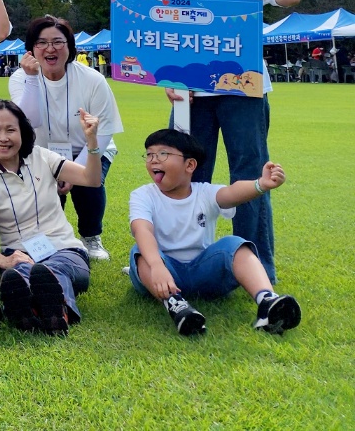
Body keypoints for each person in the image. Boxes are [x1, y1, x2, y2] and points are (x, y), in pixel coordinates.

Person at [152, 0, 299, 281]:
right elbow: (158, 41)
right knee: (182, 174)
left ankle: (255, 265)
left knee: (249, 175)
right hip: (188, 96)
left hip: (242, 91)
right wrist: (165, 79)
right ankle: (184, 257)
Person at [129, 129, 301, 336]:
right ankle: (177, 306)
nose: (153, 160)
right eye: (149, 154)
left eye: (163, 154)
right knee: (141, 251)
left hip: (205, 272)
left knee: (235, 245)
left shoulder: (205, 192)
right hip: (162, 275)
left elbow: (231, 193)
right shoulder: (143, 195)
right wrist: (157, 266)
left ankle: (267, 301)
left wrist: (261, 185)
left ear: (190, 165)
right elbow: (142, 229)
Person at [0, 100, 103, 335]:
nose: (2, 138)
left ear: (23, 132)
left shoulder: (42, 157)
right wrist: (2, 261)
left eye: (10, 130)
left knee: (53, 269)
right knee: (20, 272)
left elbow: (91, 179)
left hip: (65, 250)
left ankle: (43, 310)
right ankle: (47, 313)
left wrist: (92, 142)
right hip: (17, 255)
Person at [9, 16, 124, 261]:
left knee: (88, 182)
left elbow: (104, 130)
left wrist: (72, 171)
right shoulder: (20, 78)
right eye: (41, 42)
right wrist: (31, 79)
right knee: (47, 195)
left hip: (89, 148)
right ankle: (49, 236)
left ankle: (91, 236)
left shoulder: (92, 79)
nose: (50, 48)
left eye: (58, 42)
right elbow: (28, 122)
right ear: (31, 49)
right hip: (42, 153)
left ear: (70, 46)